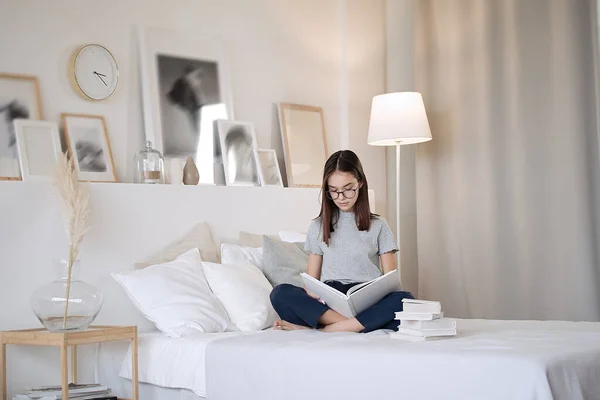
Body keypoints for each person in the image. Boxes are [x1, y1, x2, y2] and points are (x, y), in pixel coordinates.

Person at [269, 149, 414, 333]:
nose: (341, 198)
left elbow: (391, 281)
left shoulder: (379, 225)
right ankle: (356, 324)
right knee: (280, 293)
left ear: (360, 183)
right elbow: (311, 281)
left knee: (403, 299)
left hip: (367, 299)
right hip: (331, 301)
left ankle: (325, 330)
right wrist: (314, 294)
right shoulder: (318, 226)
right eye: (334, 191)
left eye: (348, 189)